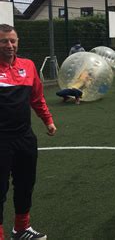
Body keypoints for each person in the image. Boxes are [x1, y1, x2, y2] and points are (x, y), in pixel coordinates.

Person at [0, 24, 57, 240]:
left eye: (13, 41)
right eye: (4, 41)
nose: (9, 45)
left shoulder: (28, 66)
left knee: (25, 184)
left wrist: (48, 121)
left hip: (24, 138)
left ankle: (21, 229)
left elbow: (36, 98)